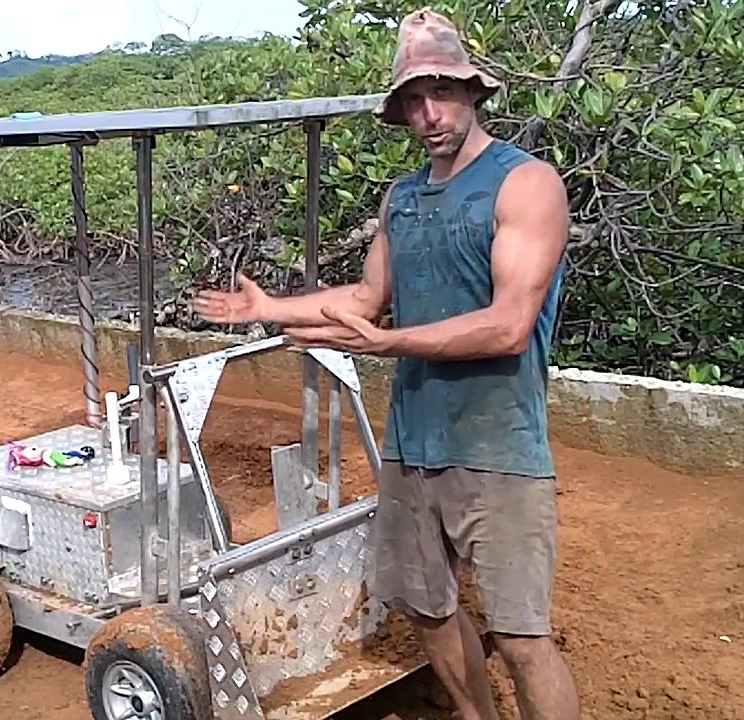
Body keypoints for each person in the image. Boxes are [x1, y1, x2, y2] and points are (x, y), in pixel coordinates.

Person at [191, 8, 578, 720]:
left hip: (496, 448)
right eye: (413, 101)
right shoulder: (402, 199)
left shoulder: (524, 184)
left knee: (522, 637)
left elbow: (508, 325)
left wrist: (384, 344)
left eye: (443, 93)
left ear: (473, 92)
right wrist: (271, 307)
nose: (430, 114)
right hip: (412, 443)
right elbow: (369, 298)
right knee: (428, 610)